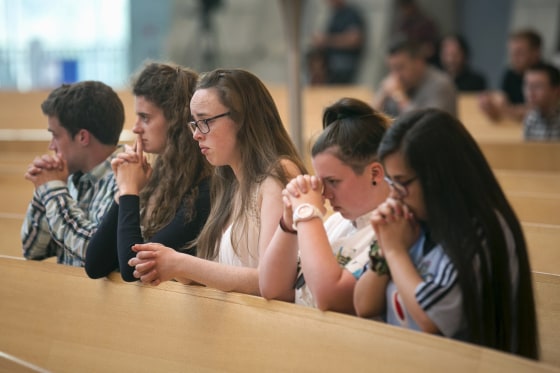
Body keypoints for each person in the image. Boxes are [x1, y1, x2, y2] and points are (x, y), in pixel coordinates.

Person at [353, 108, 539, 360]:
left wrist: (395, 250)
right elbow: (364, 304)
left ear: (438, 178)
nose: (394, 194)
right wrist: (383, 248)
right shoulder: (411, 221)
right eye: (391, 182)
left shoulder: (482, 229)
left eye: (402, 182)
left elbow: (432, 318)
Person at [128, 68, 307, 295]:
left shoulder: (279, 172)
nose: (196, 135)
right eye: (194, 123)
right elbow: (222, 273)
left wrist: (181, 264)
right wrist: (171, 266)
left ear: (242, 119)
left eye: (204, 121)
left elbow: (271, 282)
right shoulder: (229, 182)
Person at [259, 98, 390, 314]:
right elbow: (272, 289)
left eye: (333, 181)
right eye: (321, 182)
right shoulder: (336, 222)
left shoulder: (392, 226)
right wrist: (289, 221)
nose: (325, 194)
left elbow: (329, 298)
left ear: (374, 174)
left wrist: (307, 213)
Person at [85, 62, 212, 281]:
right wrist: (121, 194)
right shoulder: (158, 176)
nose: (135, 128)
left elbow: (133, 270)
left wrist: (129, 191)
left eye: (145, 118)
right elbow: (95, 265)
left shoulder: (205, 189)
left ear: (175, 121)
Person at [21, 81, 125, 266]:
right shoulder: (67, 176)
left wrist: (53, 191)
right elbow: (33, 250)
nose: (51, 146)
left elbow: (95, 254)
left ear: (82, 137)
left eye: (55, 135)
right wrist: (44, 190)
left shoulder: (125, 178)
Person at [374, 39, 457, 118]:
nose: (395, 75)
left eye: (400, 67)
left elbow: (427, 126)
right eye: (391, 68)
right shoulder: (395, 84)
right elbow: (370, 124)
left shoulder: (441, 85)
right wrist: (382, 96)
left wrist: (399, 96)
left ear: (418, 62)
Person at [479, 29, 543, 122]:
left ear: (535, 52)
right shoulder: (509, 75)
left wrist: (508, 110)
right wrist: (490, 107)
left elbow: (540, 111)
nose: (514, 57)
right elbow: (501, 103)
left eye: (520, 53)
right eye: (512, 52)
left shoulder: (548, 76)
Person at [307, 0, 366, 85]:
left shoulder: (351, 14)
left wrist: (326, 40)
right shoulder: (335, 14)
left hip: (343, 65)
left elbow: (354, 39)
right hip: (331, 65)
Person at [391, 0, 440, 65]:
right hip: (407, 60)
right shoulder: (403, 24)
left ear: (412, 6)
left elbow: (431, 48)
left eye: (406, 8)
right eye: (402, 9)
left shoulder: (426, 23)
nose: (405, 12)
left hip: (425, 61)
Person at [523, 62, 560, 141]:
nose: (531, 93)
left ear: (556, 91)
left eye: (538, 86)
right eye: (528, 86)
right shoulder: (530, 119)